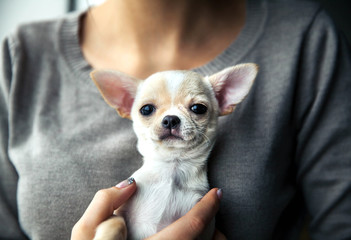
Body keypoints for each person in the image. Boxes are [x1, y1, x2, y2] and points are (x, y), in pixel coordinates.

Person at [1, 0, 350, 239]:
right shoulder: (21, 55)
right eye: (149, 109)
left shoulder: (304, 38)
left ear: (224, 99)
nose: (169, 120)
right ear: (124, 102)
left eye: (195, 108)